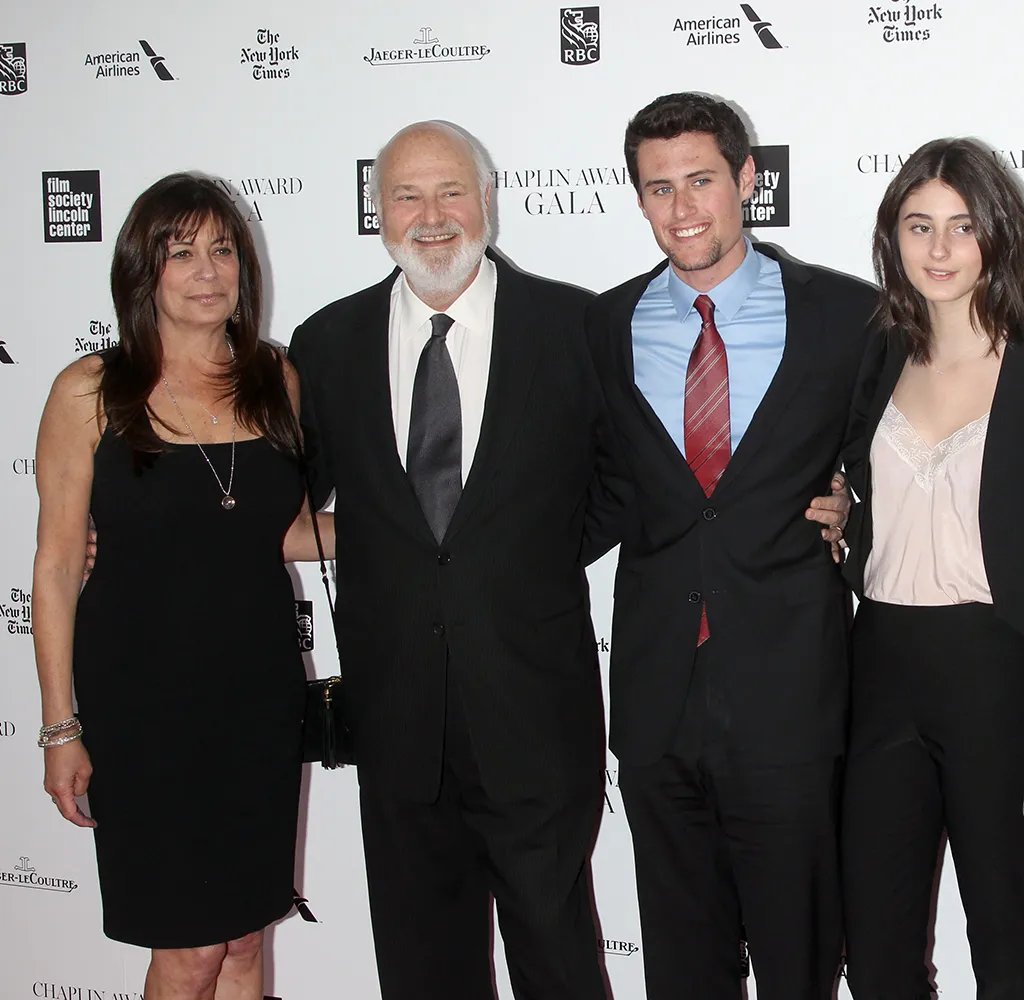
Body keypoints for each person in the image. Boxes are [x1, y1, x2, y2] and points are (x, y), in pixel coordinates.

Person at [286, 121, 607, 1000]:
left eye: (450, 191)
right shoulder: (326, 344)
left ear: (489, 200)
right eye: (406, 196)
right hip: (396, 723)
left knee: (561, 961)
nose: (431, 217)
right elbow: (285, 503)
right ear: (379, 212)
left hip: (535, 713)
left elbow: (628, 482)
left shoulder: (576, 326)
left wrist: (524, 555)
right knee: (424, 968)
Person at [583, 92, 876, 999]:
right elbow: (583, 490)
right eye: (658, 188)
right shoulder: (597, 328)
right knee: (680, 966)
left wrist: (852, 507)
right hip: (655, 699)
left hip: (790, 692)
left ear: (748, 179)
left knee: (799, 959)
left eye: (702, 180)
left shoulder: (847, 316)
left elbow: (907, 462)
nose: (682, 209)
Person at [32, 173, 328, 1000]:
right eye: (181, 252)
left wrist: (430, 529)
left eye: (223, 249)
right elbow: (56, 566)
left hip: (256, 699)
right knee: (191, 948)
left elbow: (289, 531)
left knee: (241, 940)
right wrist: (61, 727)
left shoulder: (276, 379)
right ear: (143, 272)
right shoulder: (91, 390)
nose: (208, 271)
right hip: (143, 711)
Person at [836, 138, 1024, 998]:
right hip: (878, 663)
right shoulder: (872, 354)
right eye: (919, 226)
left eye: (962, 226)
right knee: (875, 938)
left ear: (1001, 233)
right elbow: (853, 494)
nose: (940, 250)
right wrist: (839, 517)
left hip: (1000, 666)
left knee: (1009, 928)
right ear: (893, 238)